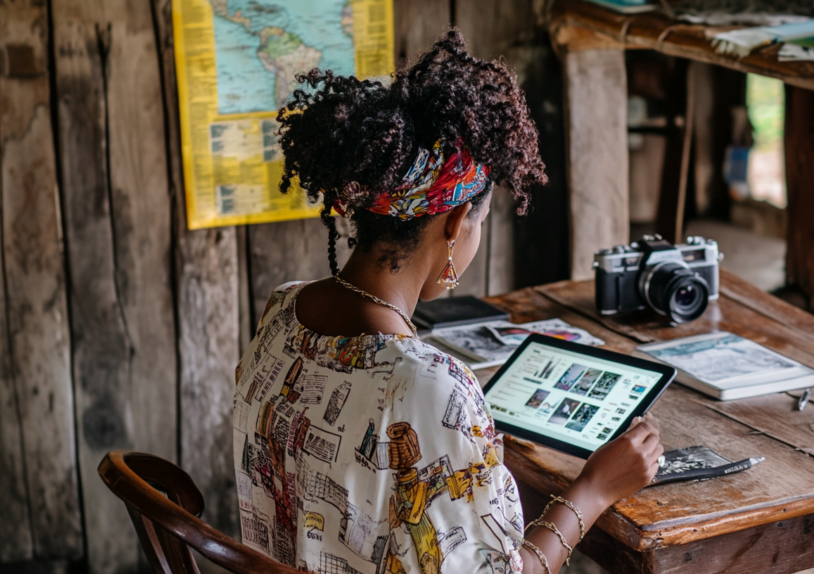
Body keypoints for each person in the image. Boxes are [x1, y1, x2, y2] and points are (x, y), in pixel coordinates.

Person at [232, 30, 663, 574]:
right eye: (482, 220)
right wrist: (597, 489)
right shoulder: (431, 388)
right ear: (458, 223)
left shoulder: (282, 311)